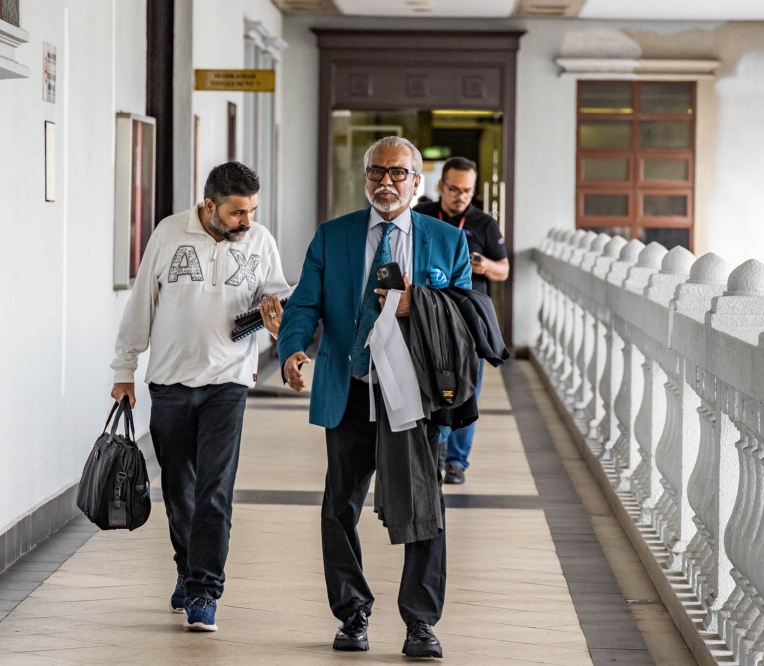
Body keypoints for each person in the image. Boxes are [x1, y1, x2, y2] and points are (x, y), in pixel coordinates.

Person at [276, 137, 471, 658]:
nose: (386, 182)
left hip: (414, 399)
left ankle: (420, 624)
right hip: (351, 390)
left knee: (423, 511)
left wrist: (417, 305)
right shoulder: (333, 236)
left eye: (398, 174)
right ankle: (352, 612)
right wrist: (292, 350)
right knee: (339, 508)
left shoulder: (446, 242)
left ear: (417, 182)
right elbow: (304, 303)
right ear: (365, 178)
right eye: (377, 173)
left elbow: (463, 318)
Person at [110, 162, 288, 632]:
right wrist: (124, 369)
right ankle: (187, 572)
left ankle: (205, 590)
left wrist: (277, 319)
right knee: (178, 488)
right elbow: (141, 303)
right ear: (209, 206)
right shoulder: (169, 233)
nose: (246, 221)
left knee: (215, 490)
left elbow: (279, 297)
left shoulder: (260, 241)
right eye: (236, 213)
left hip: (228, 383)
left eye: (251, 210)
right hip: (169, 383)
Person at [414, 157, 510, 485]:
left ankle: (456, 462)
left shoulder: (484, 224)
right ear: (441, 185)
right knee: (432, 389)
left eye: (467, 191)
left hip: (468, 324)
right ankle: (433, 451)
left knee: (467, 393)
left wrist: (484, 267)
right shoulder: (422, 216)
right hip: (429, 320)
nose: (460, 196)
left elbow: (504, 269)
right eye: (454, 189)